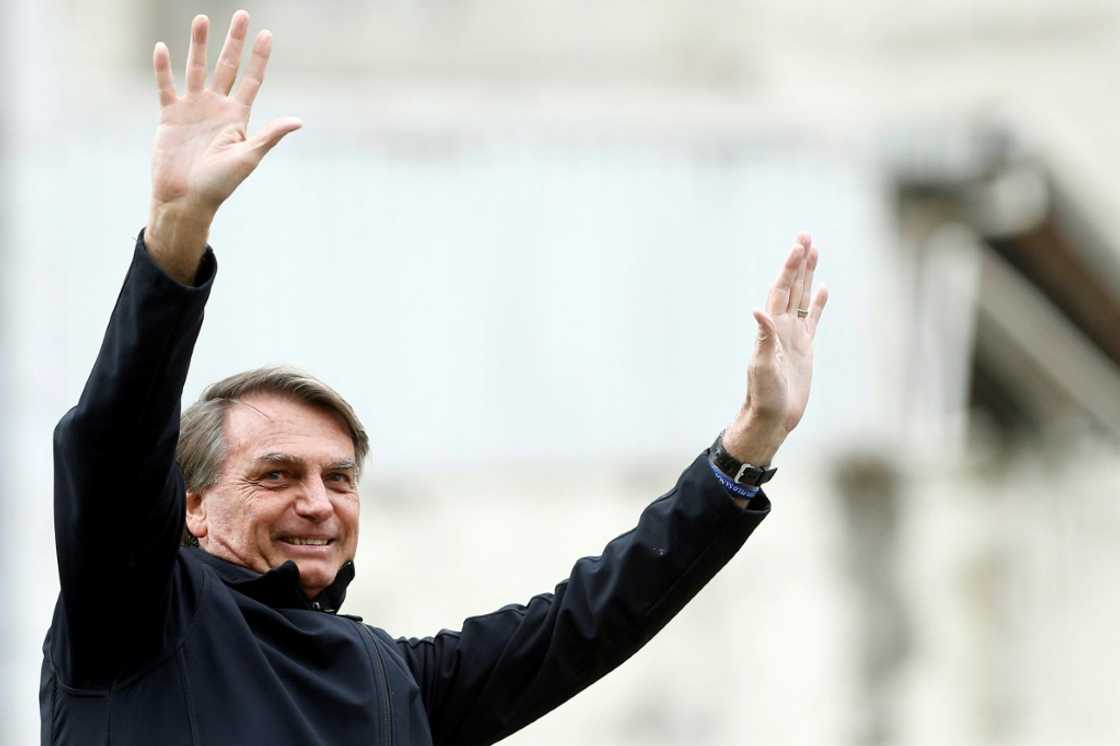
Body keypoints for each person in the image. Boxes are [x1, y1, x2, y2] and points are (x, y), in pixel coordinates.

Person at [40, 11, 829, 746]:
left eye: (339, 478)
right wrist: (177, 231)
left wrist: (749, 443)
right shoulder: (137, 614)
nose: (317, 502)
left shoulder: (393, 680)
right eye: (277, 474)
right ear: (195, 507)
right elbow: (113, 442)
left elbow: (585, 620)